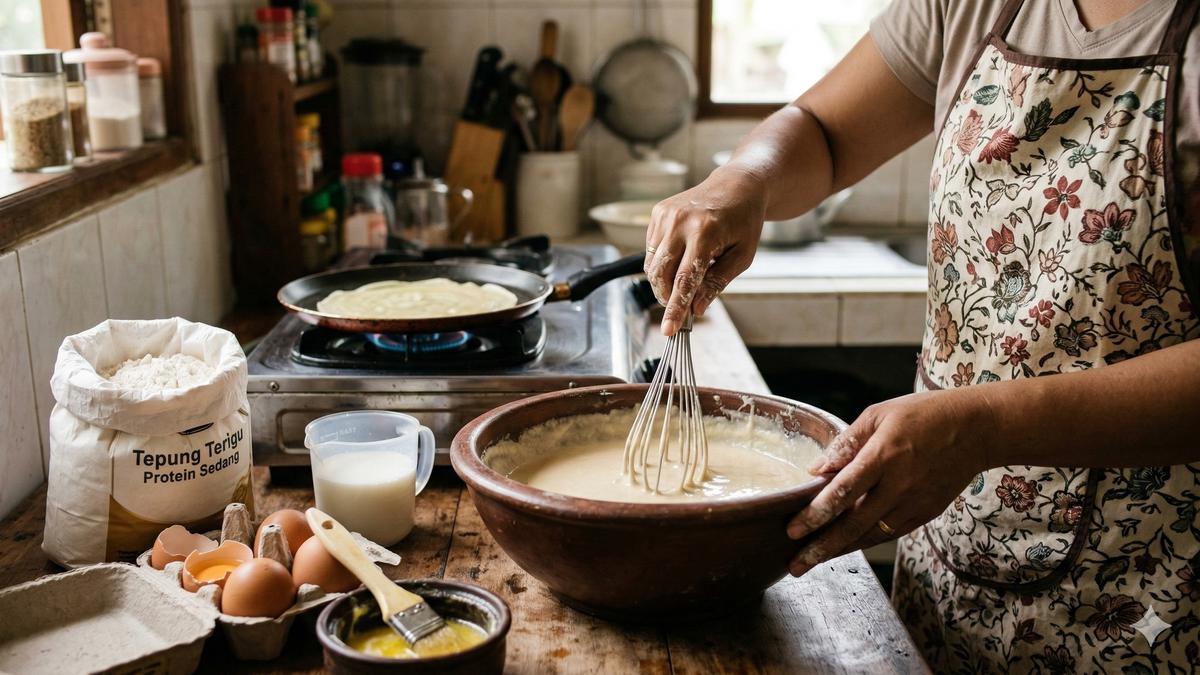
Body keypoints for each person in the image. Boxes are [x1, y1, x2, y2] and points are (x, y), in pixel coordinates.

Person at [643, 0, 1200, 670]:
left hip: (1148, 594)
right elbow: (823, 130)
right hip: (949, 559)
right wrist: (746, 178)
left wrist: (985, 425)